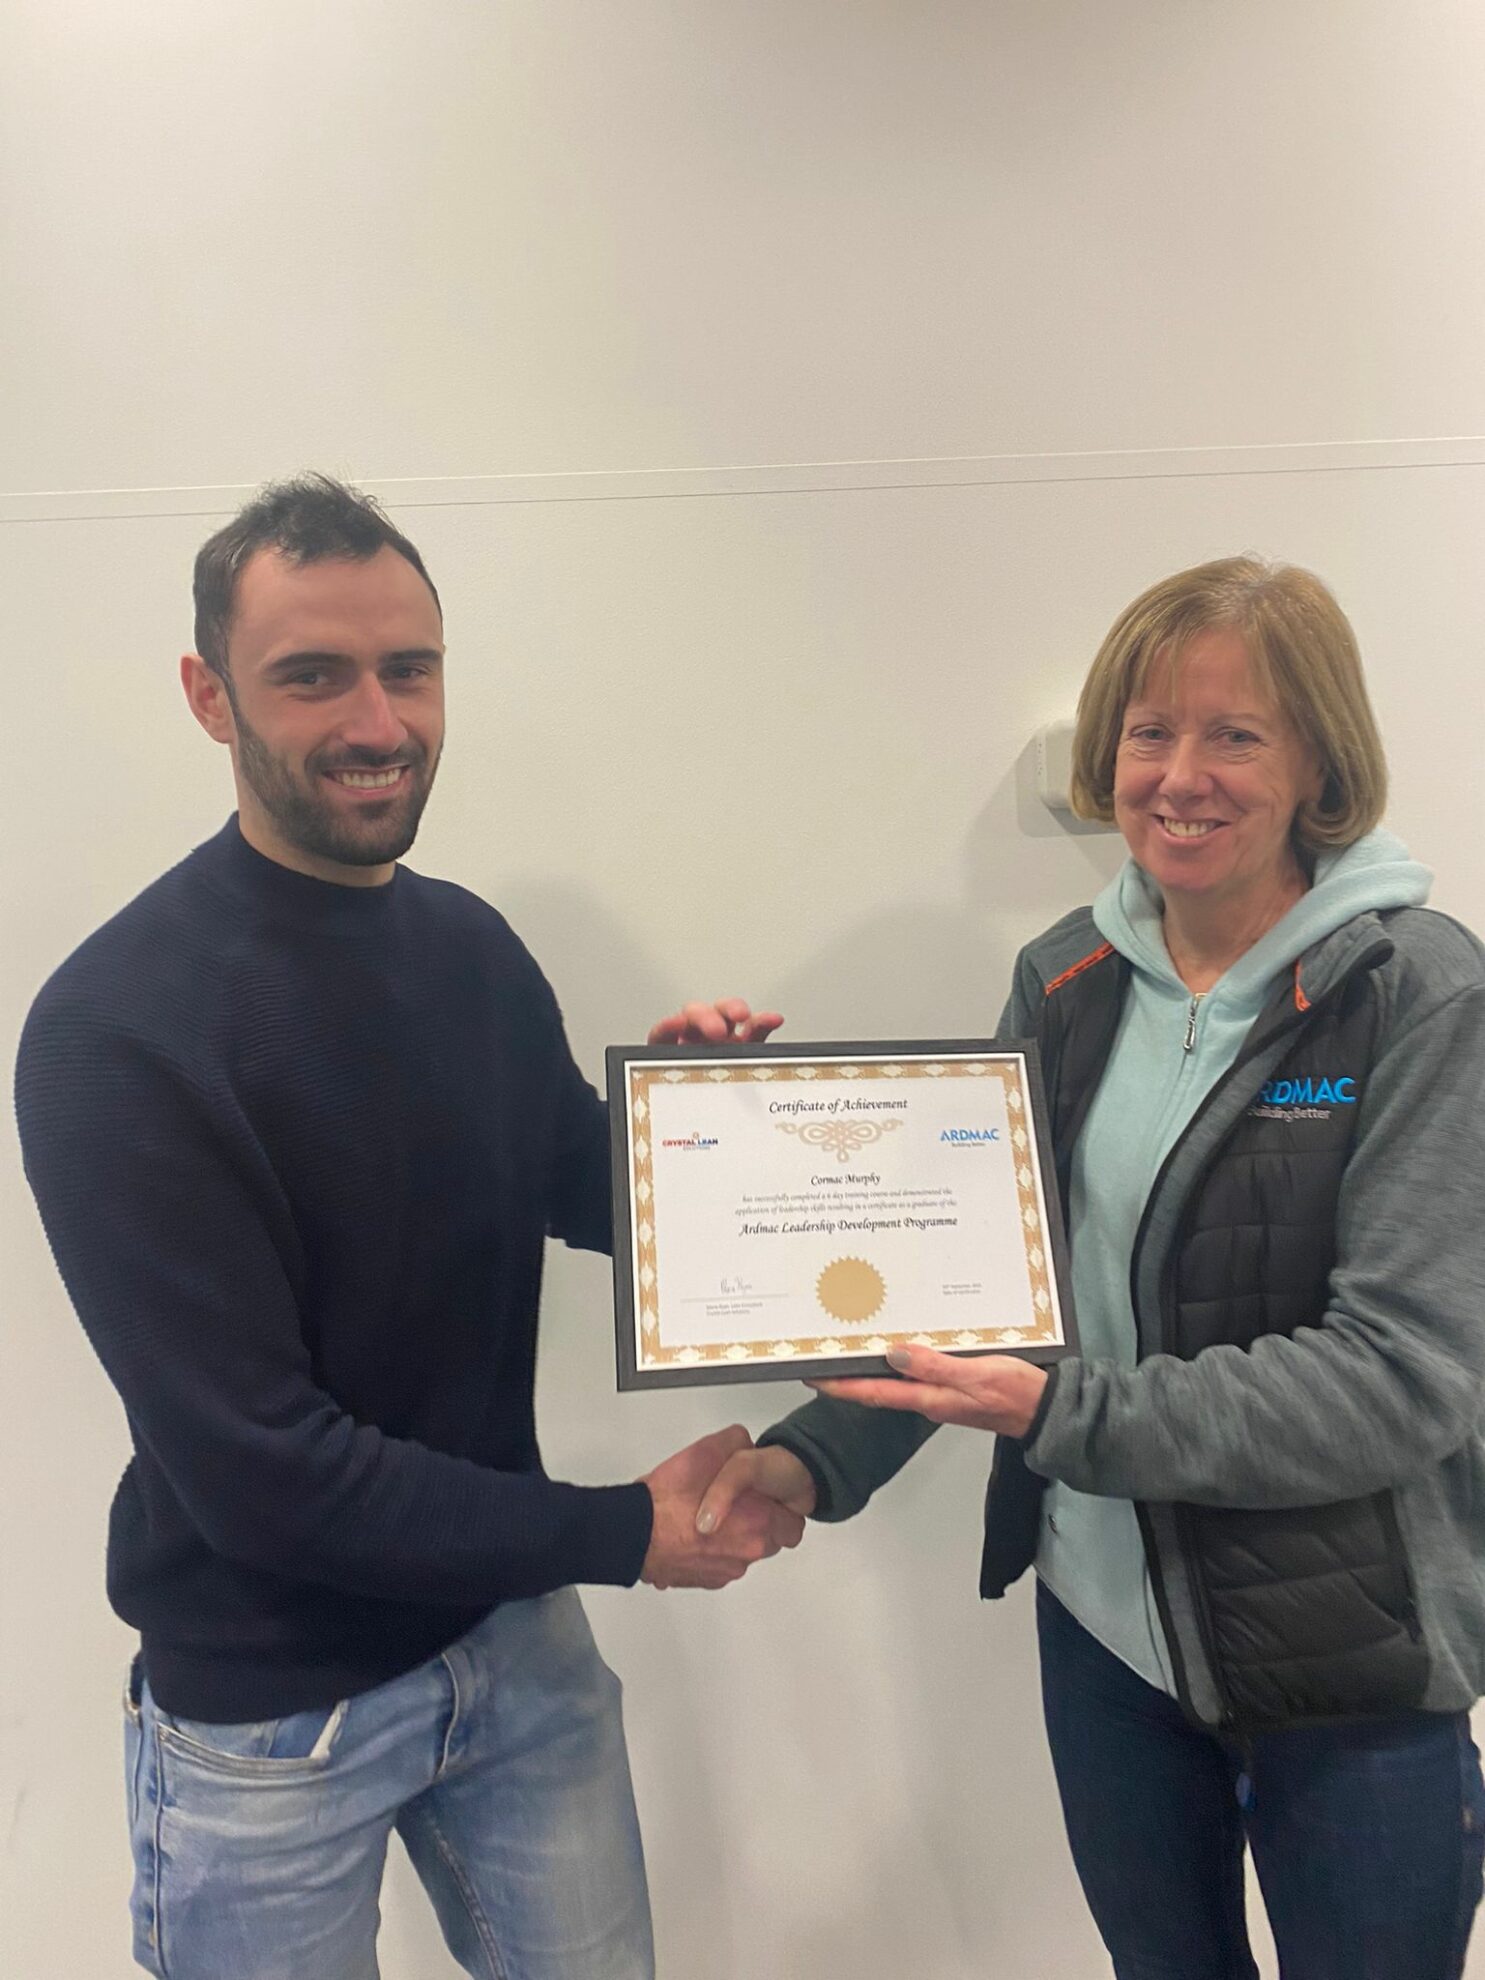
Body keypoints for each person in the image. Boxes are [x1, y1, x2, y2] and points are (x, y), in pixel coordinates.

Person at [14, 474, 802, 1980]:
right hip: (270, 1716)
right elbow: (266, 1475)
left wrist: (699, 1143)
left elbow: (571, 1184)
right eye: (313, 675)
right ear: (208, 695)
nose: (378, 721)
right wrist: (620, 1533)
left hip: (512, 1649)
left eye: (409, 669)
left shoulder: (468, 949)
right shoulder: (116, 1031)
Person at [700, 556, 1485, 1979]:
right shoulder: (1066, 978)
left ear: (1318, 762)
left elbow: (1402, 1379)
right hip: (1107, 1644)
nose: (1179, 776)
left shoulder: (1417, 992)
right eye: (1147, 731)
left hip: (1348, 1667)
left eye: (1233, 734)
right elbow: (984, 1279)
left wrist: (1067, 1414)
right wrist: (811, 1450)